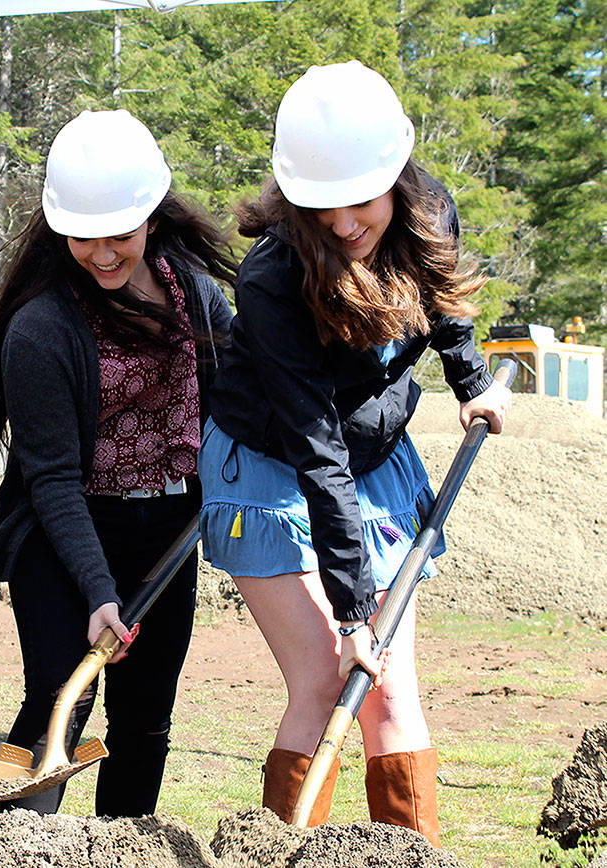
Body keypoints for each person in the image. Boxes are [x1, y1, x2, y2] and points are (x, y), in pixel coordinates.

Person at [200, 61, 511, 844]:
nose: (342, 223)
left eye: (360, 201)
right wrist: (350, 612)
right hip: (273, 467)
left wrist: (471, 381)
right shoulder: (273, 275)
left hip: (375, 461)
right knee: (323, 682)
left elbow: (441, 294)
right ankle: (282, 854)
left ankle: (412, 858)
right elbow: (316, 449)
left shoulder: (428, 209)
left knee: (392, 694)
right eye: (321, 205)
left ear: (398, 178)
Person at [0, 110, 235, 817]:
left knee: (146, 716)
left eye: (118, 233)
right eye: (82, 236)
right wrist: (98, 591)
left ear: (152, 214)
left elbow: (240, 398)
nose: (101, 252)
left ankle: (125, 845)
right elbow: (52, 479)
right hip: (67, 531)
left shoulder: (197, 296)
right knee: (63, 696)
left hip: (169, 531)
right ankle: (17, 846)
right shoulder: (42, 327)